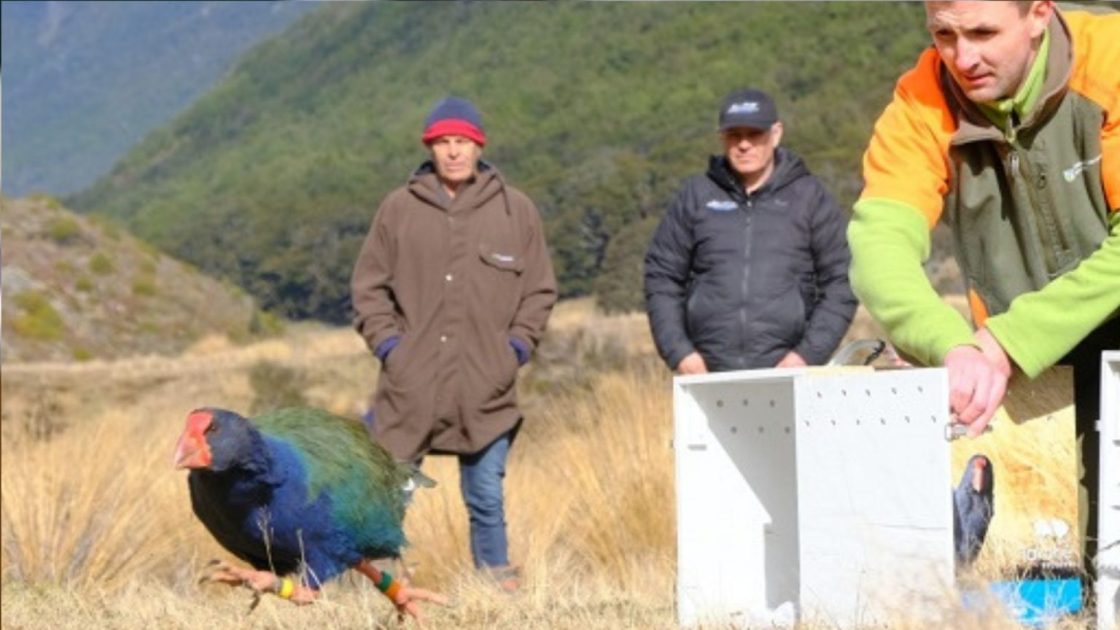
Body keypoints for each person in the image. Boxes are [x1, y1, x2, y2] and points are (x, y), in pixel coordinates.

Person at [848, 1, 1119, 577]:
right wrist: (953, 346)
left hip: (1044, 338)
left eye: (983, 32)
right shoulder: (921, 100)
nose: (962, 57)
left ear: (1039, 14)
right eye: (943, 34)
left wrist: (1007, 341)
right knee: (1078, 573)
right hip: (1034, 368)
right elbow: (880, 248)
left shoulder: (1112, 62)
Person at [351, 96, 557, 592]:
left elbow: (540, 290)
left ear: (479, 146)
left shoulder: (517, 210)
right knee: (390, 493)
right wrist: (390, 349)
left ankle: (496, 591)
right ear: (430, 148)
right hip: (410, 388)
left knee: (486, 495)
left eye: (462, 142)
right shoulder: (398, 209)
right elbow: (367, 287)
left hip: (487, 389)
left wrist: (515, 351)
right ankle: (370, 590)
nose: (453, 152)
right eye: (443, 143)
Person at [644, 88, 857, 374]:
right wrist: (680, 352)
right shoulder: (696, 195)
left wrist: (806, 356)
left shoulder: (809, 197)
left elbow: (842, 281)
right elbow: (662, 276)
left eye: (754, 134)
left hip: (790, 373)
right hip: (706, 374)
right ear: (722, 137)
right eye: (734, 135)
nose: (744, 145)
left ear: (776, 133)